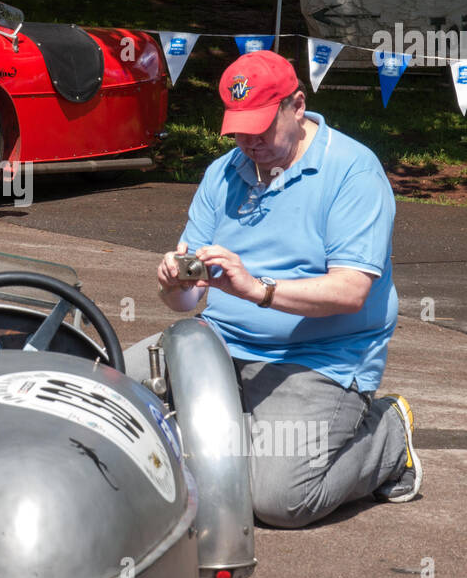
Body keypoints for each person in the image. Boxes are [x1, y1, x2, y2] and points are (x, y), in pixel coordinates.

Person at [156, 49, 421, 529]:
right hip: (218, 341)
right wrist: (176, 285)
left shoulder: (353, 171)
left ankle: (389, 435)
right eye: (238, 127)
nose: (248, 141)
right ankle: (239, 430)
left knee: (280, 500)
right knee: (101, 390)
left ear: (297, 107)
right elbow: (190, 299)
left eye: (260, 126)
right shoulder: (223, 172)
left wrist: (257, 290)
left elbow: (349, 292)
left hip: (318, 359)